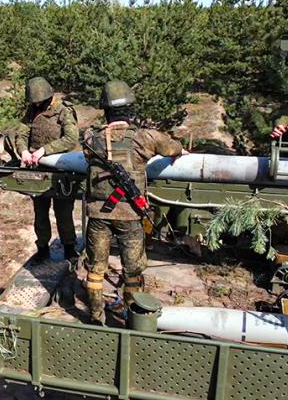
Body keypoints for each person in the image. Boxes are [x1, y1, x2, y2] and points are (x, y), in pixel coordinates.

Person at [83, 80, 187, 324]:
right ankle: (131, 318)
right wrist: (180, 151)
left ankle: (95, 316)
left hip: (98, 215)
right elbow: (172, 147)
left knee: (96, 270)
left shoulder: (91, 139)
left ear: (105, 110)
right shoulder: (144, 137)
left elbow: (87, 152)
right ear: (130, 109)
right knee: (133, 271)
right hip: (129, 214)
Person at [15, 77, 79, 262]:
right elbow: (21, 134)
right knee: (40, 212)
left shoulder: (64, 111)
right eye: (33, 102)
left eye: (39, 101)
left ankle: (69, 247)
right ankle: (42, 247)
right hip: (38, 169)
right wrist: (23, 151)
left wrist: (45, 150)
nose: (36, 105)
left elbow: (71, 139)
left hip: (61, 168)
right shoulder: (32, 111)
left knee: (63, 213)